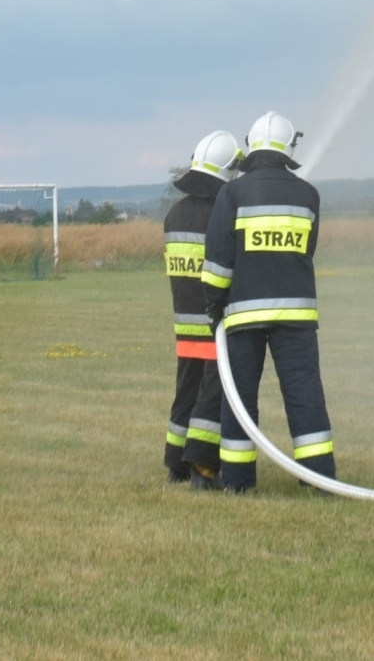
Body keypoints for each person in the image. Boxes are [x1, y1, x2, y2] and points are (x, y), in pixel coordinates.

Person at [202, 111, 336, 493]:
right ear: (288, 148)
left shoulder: (233, 193)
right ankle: (320, 477)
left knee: (240, 398)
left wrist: (214, 304)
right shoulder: (308, 194)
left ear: (251, 146)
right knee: (305, 393)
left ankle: (239, 481)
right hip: (297, 315)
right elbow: (306, 250)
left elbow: (217, 260)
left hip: (243, 315)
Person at [162, 129, 240, 489]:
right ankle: (203, 469)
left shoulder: (175, 215)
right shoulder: (221, 214)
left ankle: (175, 461)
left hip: (184, 321)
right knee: (213, 392)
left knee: (187, 389)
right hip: (213, 322)